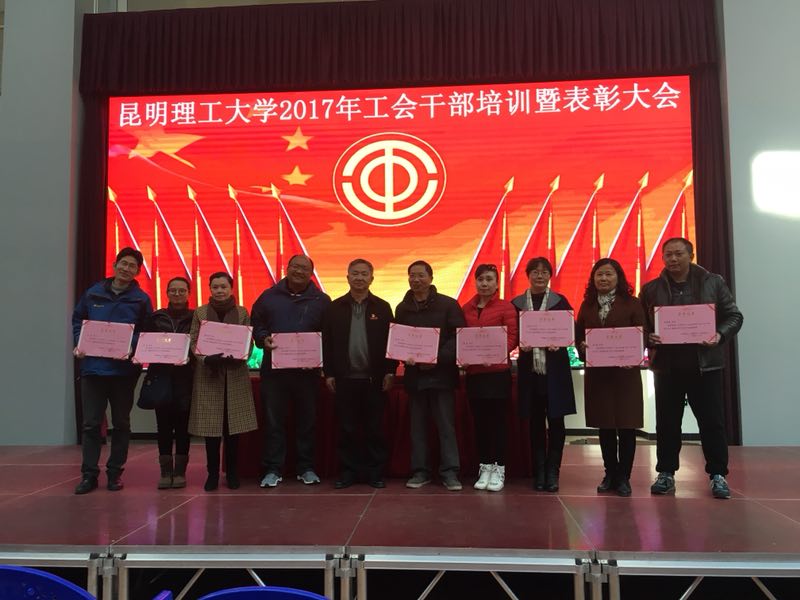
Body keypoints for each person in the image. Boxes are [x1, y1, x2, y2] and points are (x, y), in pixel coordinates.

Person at [640, 237, 743, 499]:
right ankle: (666, 473)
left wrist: (719, 334)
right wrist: (648, 337)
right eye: (668, 254)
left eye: (679, 254)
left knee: (712, 423)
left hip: (705, 366)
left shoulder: (713, 282)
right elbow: (640, 326)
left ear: (691, 255)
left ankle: (718, 474)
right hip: (667, 367)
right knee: (667, 424)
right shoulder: (651, 289)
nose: (673, 259)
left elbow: (734, 316)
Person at [72, 247, 153, 494]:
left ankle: (115, 473)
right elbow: (78, 320)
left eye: (132, 266)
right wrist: (80, 343)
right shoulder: (93, 293)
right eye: (123, 264)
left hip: (123, 372)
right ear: (115, 265)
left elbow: (147, 331)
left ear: (137, 272)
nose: (126, 269)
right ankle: (89, 475)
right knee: (91, 424)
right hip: (93, 370)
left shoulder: (141, 299)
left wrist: (130, 344)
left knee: (121, 423)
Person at [251, 254, 331, 487]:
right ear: (287, 268)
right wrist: (262, 338)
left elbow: (329, 334)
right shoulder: (268, 297)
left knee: (307, 422)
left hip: (307, 373)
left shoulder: (322, 300)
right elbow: (256, 324)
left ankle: (306, 467)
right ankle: (273, 469)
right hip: (275, 374)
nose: (299, 271)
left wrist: (320, 358)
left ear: (311, 273)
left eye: (304, 268)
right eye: (295, 266)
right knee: (274, 423)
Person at [322, 259, 395, 489]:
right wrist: (329, 373)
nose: (359, 278)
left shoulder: (382, 307)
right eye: (355, 273)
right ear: (347, 277)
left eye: (364, 274)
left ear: (372, 278)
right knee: (347, 429)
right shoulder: (334, 308)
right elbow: (327, 343)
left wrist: (390, 371)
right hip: (344, 380)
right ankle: (348, 472)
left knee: (375, 429)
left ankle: (375, 473)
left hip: (375, 380)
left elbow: (391, 342)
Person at [575, 258, 645, 497]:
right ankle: (610, 473)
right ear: (593, 279)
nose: (603, 279)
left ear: (618, 277)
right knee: (604, 426)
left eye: (608, 274)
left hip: (625, 375)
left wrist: (633, 353)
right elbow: (578, 336)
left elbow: (642, 334)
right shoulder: (587, 305)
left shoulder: (633, 303)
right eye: (599, 275)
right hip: (598, 375)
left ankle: (624, 477)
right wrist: (582, 346)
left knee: (626, 426)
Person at [395, 260, 466, 491]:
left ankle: (450, 472)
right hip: (415, 377)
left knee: (446, 426)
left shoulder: (449, 305)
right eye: (412, 275)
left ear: (431, 278)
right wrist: (404, 356)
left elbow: (458, 337)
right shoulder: (402, 308)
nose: (416, 280)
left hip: (442, 376)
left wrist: (436, 358)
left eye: (421, 275)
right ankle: (420, 471)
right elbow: (398, 340)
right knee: (417, 427)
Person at [512, 257, 576, 492]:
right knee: (535, 421)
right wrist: (521, 342)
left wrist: (561, 341)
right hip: (530, 372)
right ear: (528, 275)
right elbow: (511, 333)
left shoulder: (560, 301)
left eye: (544, 272)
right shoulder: (517, 304)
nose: (540, 276)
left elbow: (571, 330)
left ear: (550, 275)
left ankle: (553, 471)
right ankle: (539, 470)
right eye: (535, 272)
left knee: (557, 421)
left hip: (556, 371)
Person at [189, 272, 258, 491]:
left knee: (233, 430)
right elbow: (193, 340)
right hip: (209, 375)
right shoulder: (200, 312)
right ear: (210, 289)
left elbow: (248, 341)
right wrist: (205, 358)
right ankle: (211, 474)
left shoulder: (242, 312)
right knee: (211, 431)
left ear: (231, 288)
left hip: (235, 375)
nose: (219, 291)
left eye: (223, 287)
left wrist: (240, 354)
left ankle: (232, 473)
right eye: (215, 287)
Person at [460, 264, 518, 492]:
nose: (484, 283)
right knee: (480, 423)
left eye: (489, 279)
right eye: (481, 279)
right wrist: (465, 357)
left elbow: (512, 337)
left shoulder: (506, 307)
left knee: (498, 423)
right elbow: (462, 338)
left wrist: (492, 355)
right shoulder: (466, 308)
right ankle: (484, 466)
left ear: (496, 283)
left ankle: (499, 467)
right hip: (475, 375)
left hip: (497, 374)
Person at [143, 276, 194, 489]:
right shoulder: (156, 317)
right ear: (167, 293)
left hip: (187, 378)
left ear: (189, 293)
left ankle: (180, 472)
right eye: (173, 290)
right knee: (163, 426)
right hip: (161, 377)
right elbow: (144, 342)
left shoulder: (196, 318)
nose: (177, 294)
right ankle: (165, 472)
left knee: (183, 427)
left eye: (182, 290)